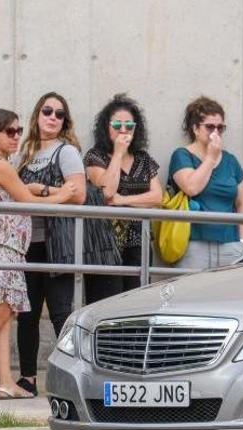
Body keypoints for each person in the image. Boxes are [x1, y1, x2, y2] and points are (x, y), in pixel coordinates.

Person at [0, 109, 75, 399]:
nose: (15, 137)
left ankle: (6, 381)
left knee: (2, 316)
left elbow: (16, 192)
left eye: (18, 131)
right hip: (0, 252)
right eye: (9, 132)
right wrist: (64, 194)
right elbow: (28, 202)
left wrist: (35, 188)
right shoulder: (0, 166)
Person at [14, 92, 86, 397]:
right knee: (26, 313)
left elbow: (79, 195)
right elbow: (16, 194)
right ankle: (28, 378)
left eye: (60, 114)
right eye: (47, 111)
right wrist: (56, 191)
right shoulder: (24, 152)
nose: (53, 117)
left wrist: (38, 189)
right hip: (27, 242)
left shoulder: (67, 152)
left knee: (60, 312)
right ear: (37, 115)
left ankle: (68, 378)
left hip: (58, 243)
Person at [84, 94, 162, 303]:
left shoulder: (144, 159)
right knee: (107, 303)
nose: (123, 130)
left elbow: (157, 197)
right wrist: (118, 154)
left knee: (137, 304)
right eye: (117, 124)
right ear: (106, 127)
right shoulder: (95, 156)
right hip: (105, 243)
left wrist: (123, 201)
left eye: (129, 125)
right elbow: (107, 191)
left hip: (139, 241)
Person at [168, 96, 243, 270]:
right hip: (194, 245)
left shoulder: (230, 160)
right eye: (210, 127)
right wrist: (211, 157)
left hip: (230, 245)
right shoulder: (182, 155)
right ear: (196, 129)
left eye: (220, 127)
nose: (216, 132)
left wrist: (242, 241)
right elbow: (191, 187)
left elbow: (242, 201)